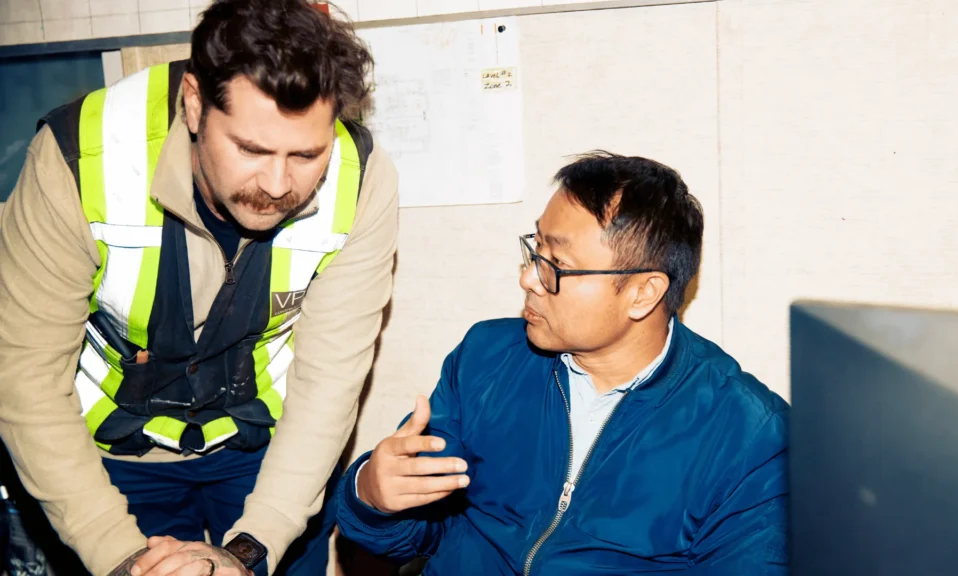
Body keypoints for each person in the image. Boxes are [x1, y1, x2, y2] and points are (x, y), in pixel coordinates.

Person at [0, 0, 397, 574]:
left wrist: (248, 551)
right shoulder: (77, 159)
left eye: (307, 154)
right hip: (112, 447)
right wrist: (123, 556)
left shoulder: (362, 178)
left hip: (270, 445)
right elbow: (24, 374)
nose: (279, 184)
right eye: (251, 150)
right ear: (193, 102)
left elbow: (330, 381)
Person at [336, 152, 789, 574]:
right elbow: (415, 533)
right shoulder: (486, 357)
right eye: (535, 250)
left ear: (643, 293)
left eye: (557, 263)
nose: (527, 277)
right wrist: (371, 495)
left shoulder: (749, 437)